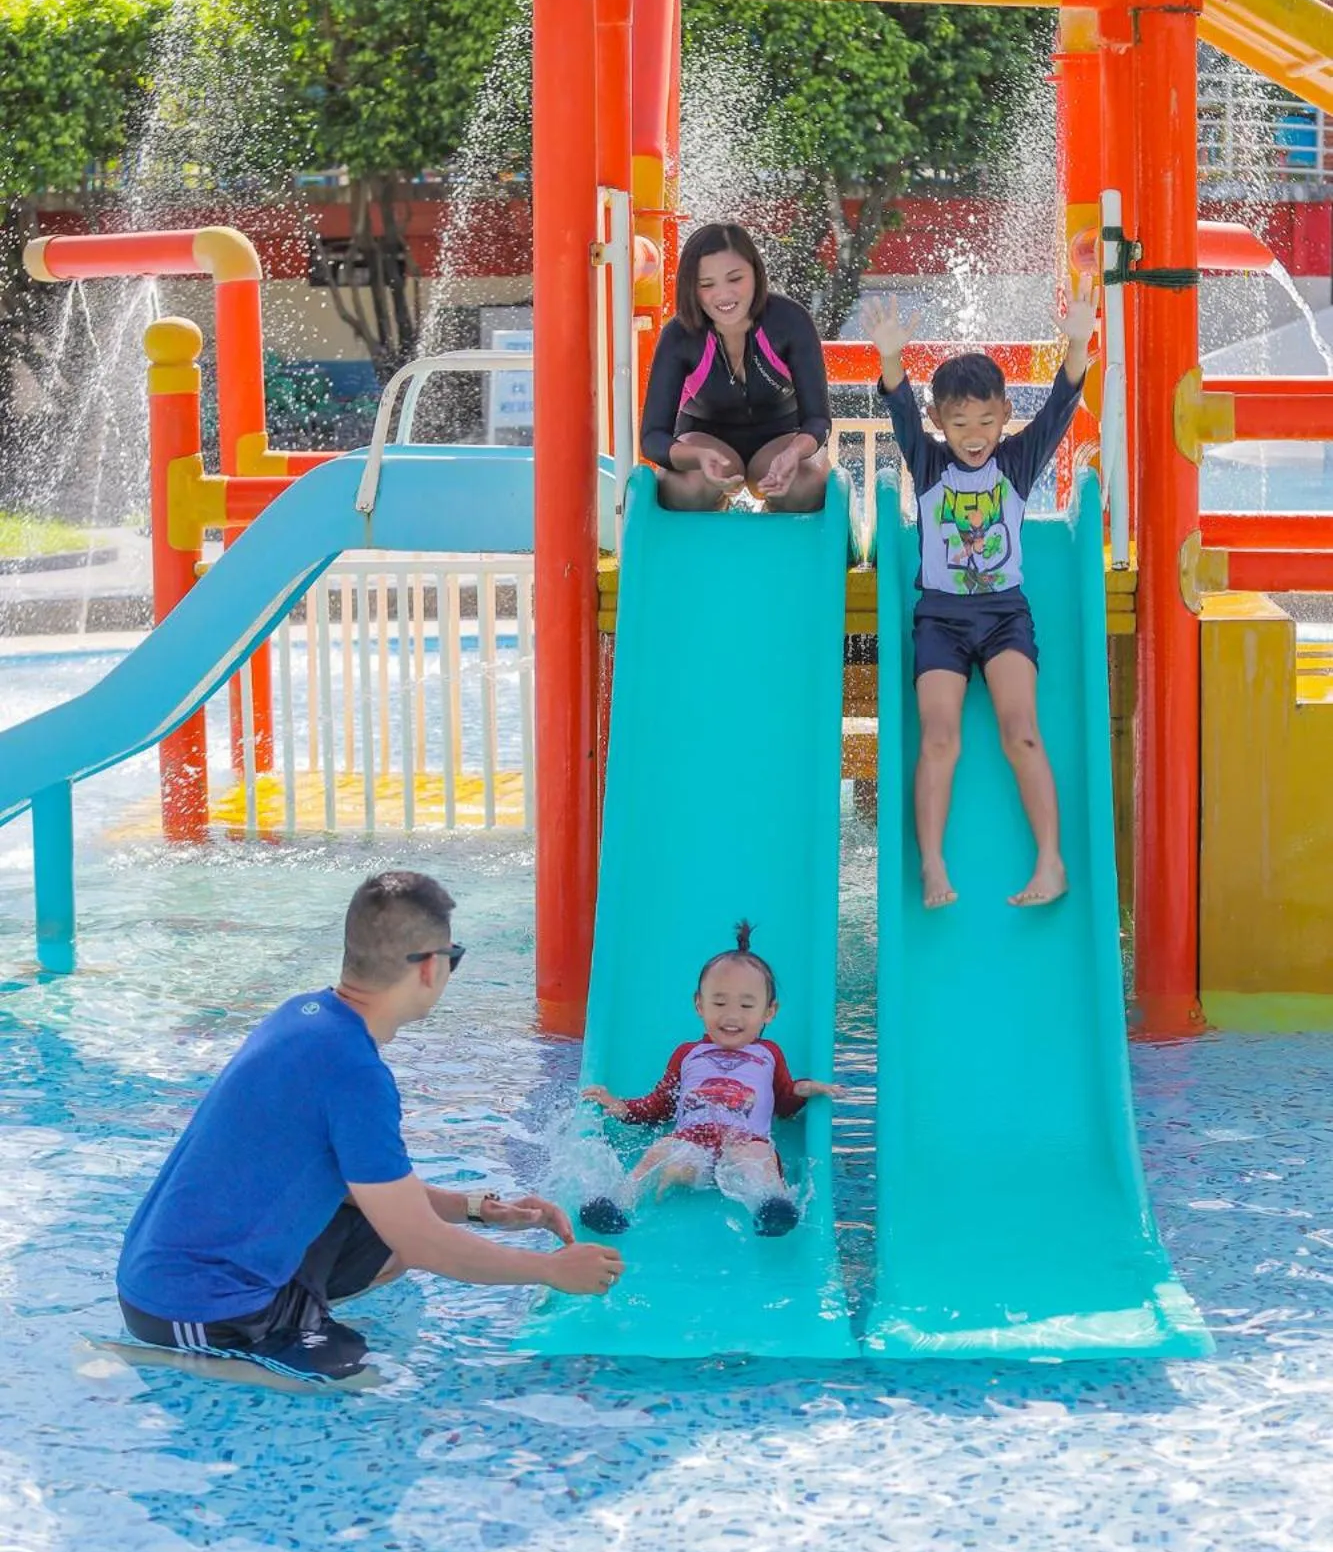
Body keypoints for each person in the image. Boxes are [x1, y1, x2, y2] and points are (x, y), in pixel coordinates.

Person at [116, 870, 624, 1381]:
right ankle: (180, 1360)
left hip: (170, 1268)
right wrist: (550, 1271)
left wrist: (479, 1211)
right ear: (430, 968)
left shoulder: (302, 1016)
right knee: (363, 1382)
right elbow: (426, 1243)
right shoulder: (355, 1074)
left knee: (389, 1248)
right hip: (193, 1307)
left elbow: (369, 1196)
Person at [867, 284, 1098, 910]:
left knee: (1021, 730)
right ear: (941, 422)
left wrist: (1078, 343)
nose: (975, 435)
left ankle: (1051, 863)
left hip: (1003, 618)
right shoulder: (929, 461)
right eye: (960, 423)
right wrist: (892, 359)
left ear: (1003, 417)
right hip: (940, 618)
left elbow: (1059, 405)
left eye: (987, 421)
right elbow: (900, 409)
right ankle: (933, 866)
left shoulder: (1018, 462)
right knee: (940, 737)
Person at [577, 922, 841, 1240]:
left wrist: (803, 1089)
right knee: (664, 1152)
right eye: (719, 1004)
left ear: (769, 1012)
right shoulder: (688, 1053)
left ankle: (770, 1206)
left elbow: (782, 1102)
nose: (732, 1016)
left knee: (758, 1159)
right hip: (692, 1138)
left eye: (746, 1006)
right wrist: (623, 1107)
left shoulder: (769, 1054)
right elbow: (662, 1102)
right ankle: (618, 1203)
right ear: (699, 1005)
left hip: (744, 1140)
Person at [639, 221, 833, 512]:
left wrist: (795, 452)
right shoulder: (679, 336)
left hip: (781, 438)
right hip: (705, 439)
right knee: (681, 486)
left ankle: (773, 526)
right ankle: (716, 515)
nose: (723, 294)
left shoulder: (791, 322)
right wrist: (696, 457)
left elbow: (818, 419)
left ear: (756, 273)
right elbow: (653, 437)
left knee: (807, 484)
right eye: (707, 285)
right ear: (691, 288)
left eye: (735, 278)